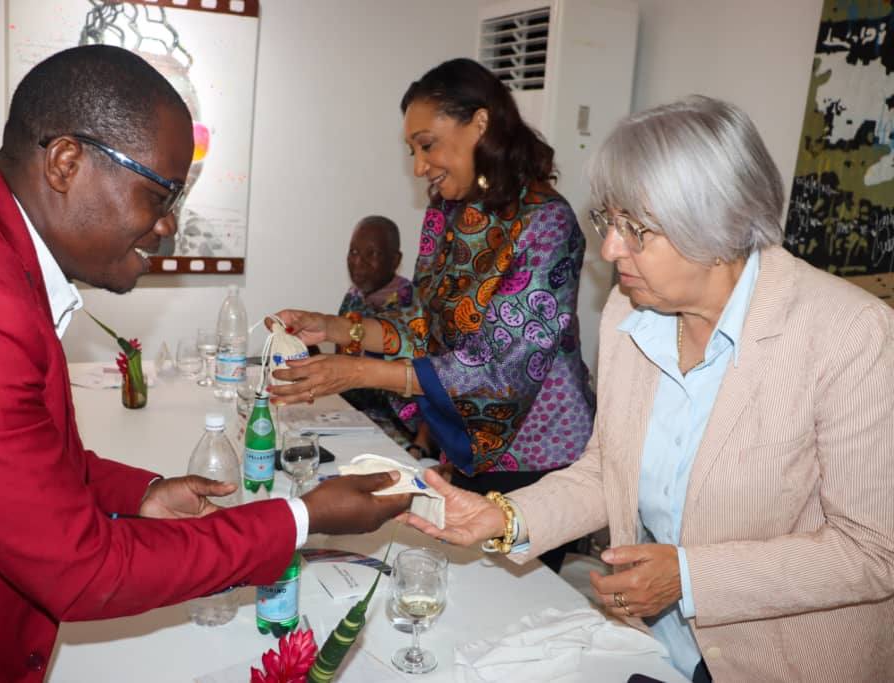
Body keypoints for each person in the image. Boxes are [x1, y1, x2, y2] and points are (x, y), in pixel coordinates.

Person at [0, 45, 409, 681]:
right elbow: (84, 571)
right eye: (159, 195)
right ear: (67, 162)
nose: (166, 226)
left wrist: (143, 494)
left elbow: (20, 460)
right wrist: (302, 517)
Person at [403, 96, 894, 682]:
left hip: (783, 661)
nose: (610, 250)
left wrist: (689, 577)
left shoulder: (849, 335)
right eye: (607, 222)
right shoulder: (630, 313)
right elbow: (608, 469)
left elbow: (872, 549)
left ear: (719, 224)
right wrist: (503, 517)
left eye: (635, 229)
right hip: (655, 646)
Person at [269, 58, 595, 572]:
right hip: (462, 440)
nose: (420, 167)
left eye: (427, 145)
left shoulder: (547, 223)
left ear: (480, 124)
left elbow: (502, 370)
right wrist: (339, 328)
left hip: (534, 458)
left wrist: (356, 369)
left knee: (515, 611)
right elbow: (425, 327)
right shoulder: (447, 212)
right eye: (413, 151)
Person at [337, 215, 421, 449]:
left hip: (398, 427)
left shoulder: (410, 303)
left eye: (371, 254)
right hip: (352, 415)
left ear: (395, 260)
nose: (359, 262)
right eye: (353, 252)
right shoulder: (354, 296)